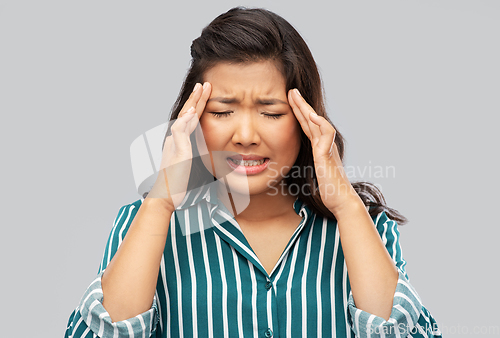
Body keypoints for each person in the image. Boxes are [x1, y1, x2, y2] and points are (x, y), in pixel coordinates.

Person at [65, 7, 442, 338]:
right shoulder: (144, 224)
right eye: (222, 112)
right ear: (191, 120)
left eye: (272, 113)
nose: (245, 136)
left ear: (307, 120)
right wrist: (162, 200)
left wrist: (345, 206)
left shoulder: (366, 226)